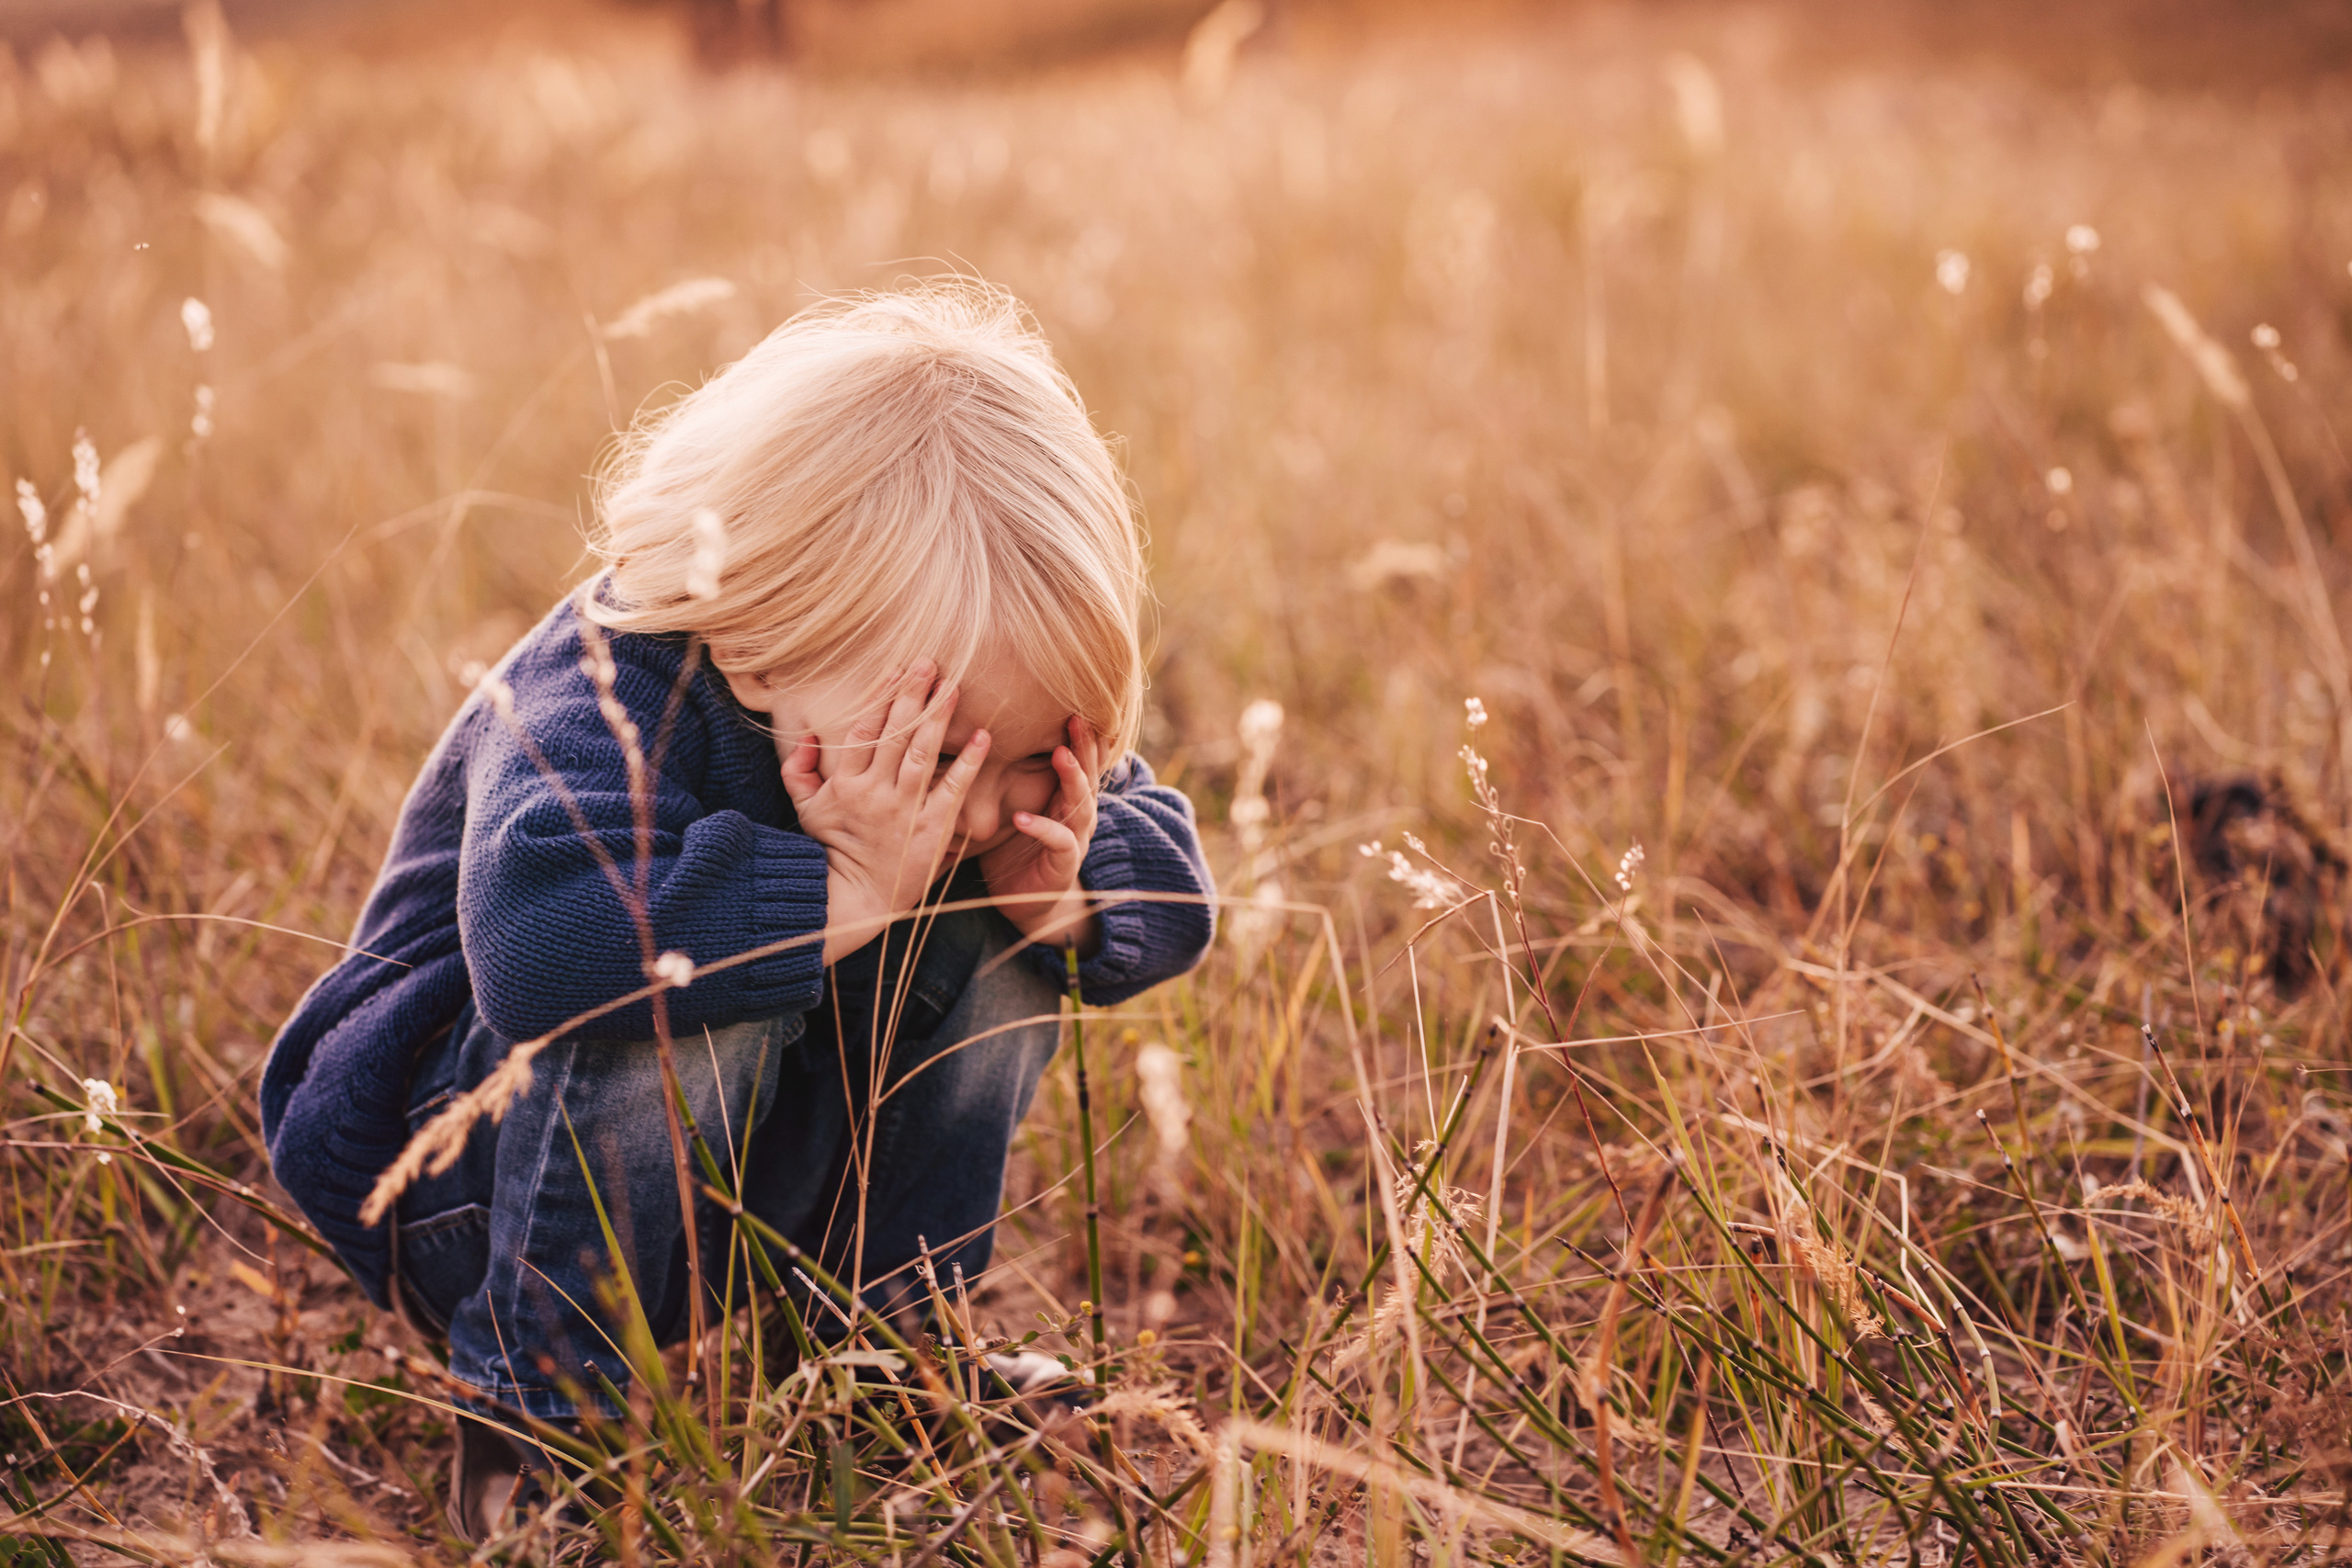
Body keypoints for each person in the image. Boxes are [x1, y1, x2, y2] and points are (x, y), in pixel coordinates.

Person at [258, 281, 1216, 1539]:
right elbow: (541, 950)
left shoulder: (974, 704)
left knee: (998, 931)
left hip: (738, 1185)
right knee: (686, 971)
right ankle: (541, 1430)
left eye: (1032, 757)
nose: (978, 807)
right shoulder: (604, 691)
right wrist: (842, 894)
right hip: (462, 1189)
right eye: (935, 757)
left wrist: (1064, 899)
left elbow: (1177, 887)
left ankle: (881, 1364)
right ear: (759, 647)